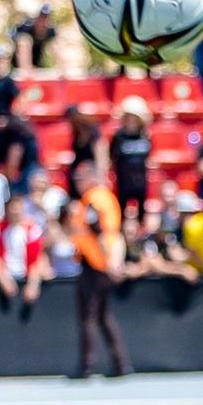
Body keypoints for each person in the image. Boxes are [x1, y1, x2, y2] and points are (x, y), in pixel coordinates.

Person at [66, 161, 130, 378]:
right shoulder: (106, 198)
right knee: (103, 315)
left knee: (89, 316)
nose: (77, 184)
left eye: (80, 179)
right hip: (102, 262)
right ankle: (120, 362)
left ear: (91, 178)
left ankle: (87, 365)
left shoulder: (93, 199)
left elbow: (99, 232)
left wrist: (109, 261)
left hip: (95, 264)